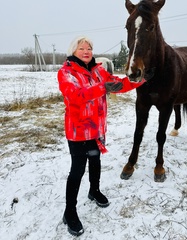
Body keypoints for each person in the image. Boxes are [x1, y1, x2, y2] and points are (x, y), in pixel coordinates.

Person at [57, 36, 145, 236]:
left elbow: (119, 84)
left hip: (97, 128)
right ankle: (69, 212)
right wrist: (102, 88)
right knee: (77, 170)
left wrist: (141, 79)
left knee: (95, 160)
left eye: (89, 48)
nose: (86, 51)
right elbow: (75, 96)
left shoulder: (98, 71)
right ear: (74, 51)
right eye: (82, 48)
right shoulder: (66, 72)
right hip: (78, 130)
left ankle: (94, 190)